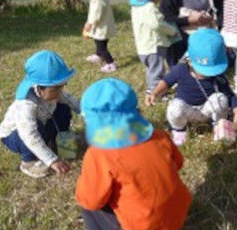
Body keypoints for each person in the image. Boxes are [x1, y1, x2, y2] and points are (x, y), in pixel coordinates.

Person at [75, 78, 192, 230]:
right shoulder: (160, 136)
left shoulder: (99, 154)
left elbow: (90, 201)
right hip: (178, 216)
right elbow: (178, 164)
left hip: (143, 225)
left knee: (89, 208)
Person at [146, 28, 237, 146]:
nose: (209, 74)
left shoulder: (217, 76)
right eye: (204, 71)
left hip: (208, 109)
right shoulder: (180, 70)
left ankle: (218, 125)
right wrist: (155, 93)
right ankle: (179, 130)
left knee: (221, 98)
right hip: (187, 109)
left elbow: (229, 93)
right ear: (189, 61)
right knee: (175, 107)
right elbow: (166, 82)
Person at [0, 50, 79, 178]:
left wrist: (91, 115)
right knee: (36, 129)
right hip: (16, 135)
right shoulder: (26, 104)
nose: (60, 92)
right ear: (39, 87)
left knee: (63, 109)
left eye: (63, 86)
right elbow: (29, 135)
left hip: (43, 123)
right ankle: (28, 162)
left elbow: (73, 102)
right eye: (56, 88)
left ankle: (58, 140)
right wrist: (52, 160)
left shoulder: (54, 93)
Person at [130, 0, 181, 95]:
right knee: (157, 70)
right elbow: (157, 24)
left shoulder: (137, 6)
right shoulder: (149, 8)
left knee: (151, 69)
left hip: (143, 46)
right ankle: (157, 93)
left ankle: (150, 88)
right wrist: (172, 31)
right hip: (153, 46)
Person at [81, 0, 118, 73]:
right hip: (102, 27)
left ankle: (111, 63)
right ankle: (98, 55)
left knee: (102, 47)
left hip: (102, 28)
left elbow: (96, 14)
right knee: (99, 43)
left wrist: (90, 23)